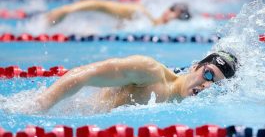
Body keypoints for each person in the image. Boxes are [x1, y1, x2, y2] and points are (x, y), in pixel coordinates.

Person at [37, 51, 238, 112]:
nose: (207, 86)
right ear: (195, 66)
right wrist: (39, 106)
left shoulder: (196, 109)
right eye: (208, 74)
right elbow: (82, 74)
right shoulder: (149, 72)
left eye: (216, 84)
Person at [45, 0, 192, 26]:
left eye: (178, 15)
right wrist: (67, 10)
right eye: (172, 9)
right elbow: (99, 5)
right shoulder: (139, 14)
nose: (171, 14)